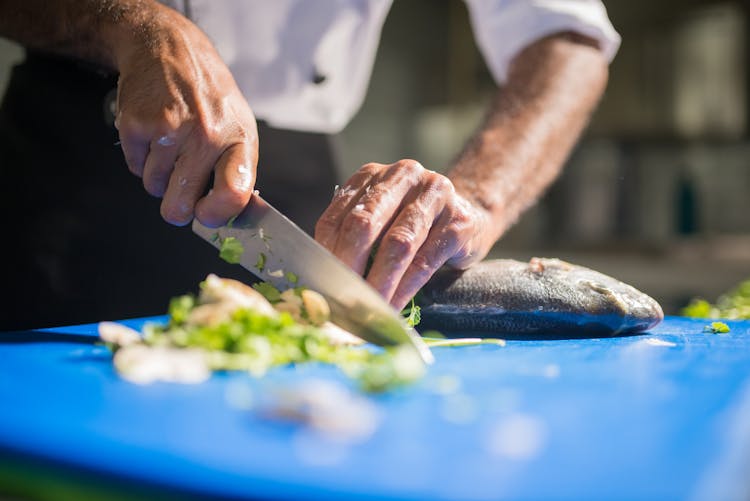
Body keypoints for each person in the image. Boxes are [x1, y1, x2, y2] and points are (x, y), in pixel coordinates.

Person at [0, 0, 619, 330]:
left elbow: (565, 36)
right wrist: (127, 23)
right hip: (60, 162)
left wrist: (478, 199)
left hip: (291, 190)